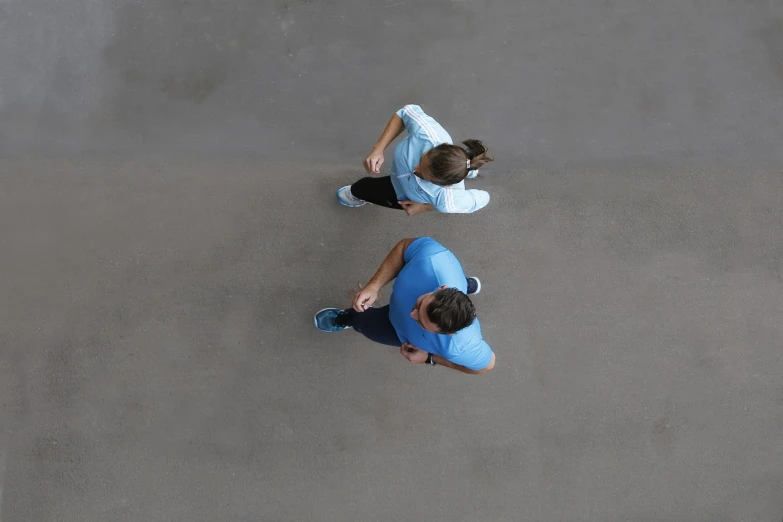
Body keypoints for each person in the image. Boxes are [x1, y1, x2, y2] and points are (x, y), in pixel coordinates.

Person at [314, 237, 495, 375]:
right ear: (441, 288)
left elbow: (486, 366)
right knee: (455, 279)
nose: (412, 315)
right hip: (443, 278)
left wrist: (431, 358)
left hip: (399, 331)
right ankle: (465, 284)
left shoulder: (462, 346)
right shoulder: (433, 258)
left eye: (421, 323)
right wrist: (374, 286)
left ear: (449, 334)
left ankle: (350, 318)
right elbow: (404, 248)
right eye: (419, 304)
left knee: (363, 322)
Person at [336, 104, 494, 216]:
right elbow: (406, 112)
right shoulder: (429, 134)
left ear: (444, 185)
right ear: (440, 145)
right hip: (417, 183)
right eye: (422, 159)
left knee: (362, 188)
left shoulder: (448, 199)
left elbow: (484, 198)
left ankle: (356, 194)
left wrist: (426, 207)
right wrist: (378, 149)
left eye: (423, 175)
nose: (415, 168)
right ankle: (465, 171)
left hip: (402, 193)